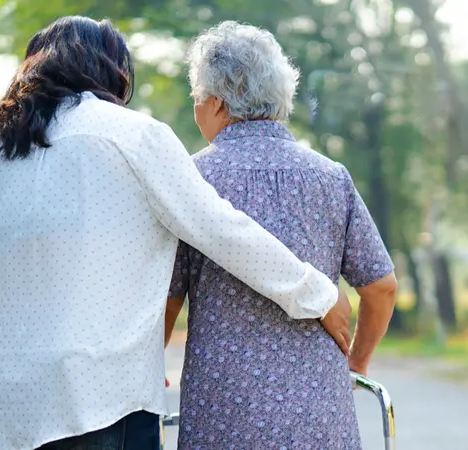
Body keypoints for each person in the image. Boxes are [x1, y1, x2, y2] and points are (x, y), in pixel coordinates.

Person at [0, 16, 354, 450]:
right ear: (107, 69)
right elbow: (221, 230)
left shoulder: (1, 151)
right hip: (99, 393)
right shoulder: (132, 135)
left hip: (14, 392)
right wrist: (317, 294)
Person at [164, 21, 398, 449]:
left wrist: (149, 364)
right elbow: (381, 287)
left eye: (197, 97)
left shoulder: (190, 181)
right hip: (320, 417)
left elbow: (167, 296)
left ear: (216, 103)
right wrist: (357, 361)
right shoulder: (331, 178)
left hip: (223, 417)